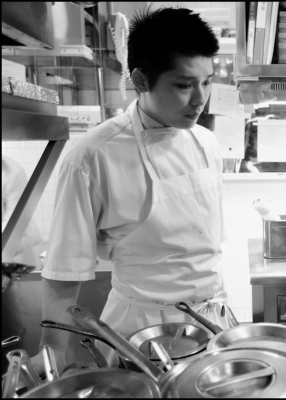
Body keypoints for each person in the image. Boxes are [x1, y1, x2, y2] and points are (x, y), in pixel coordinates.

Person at [33, 7, 229, 371]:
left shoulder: (205, 142)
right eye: (184, 85)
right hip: (141, 335)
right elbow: (64, 270)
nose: (200, 100)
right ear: (141, 80)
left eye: (207, 81)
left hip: (211, 326)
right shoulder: (91, 156)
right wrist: (52, 357)